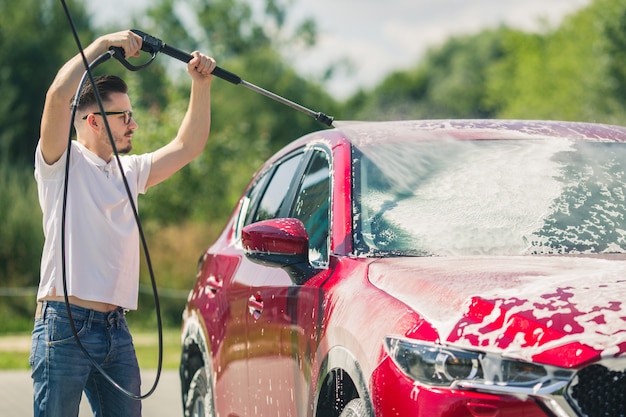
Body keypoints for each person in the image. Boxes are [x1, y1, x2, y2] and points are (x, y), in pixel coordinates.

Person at [30, 30, 216, 417]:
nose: (133, 125)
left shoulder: (129, 170)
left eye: (133, 115)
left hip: (115, 327)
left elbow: (189, 146)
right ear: (94, 121)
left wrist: (200, 86)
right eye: (125, 117)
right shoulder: (61, 163)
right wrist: (101, 45)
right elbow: (57, 97)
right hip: (65, 325)